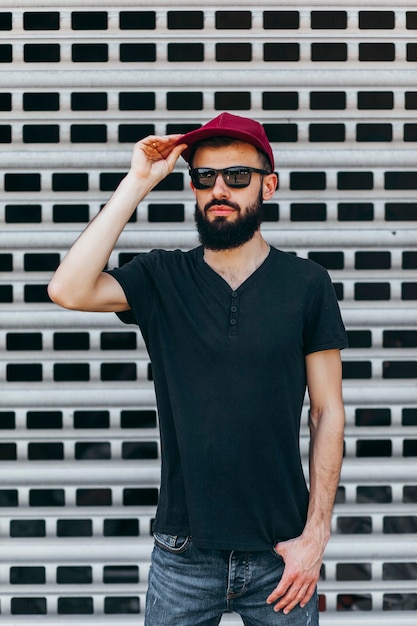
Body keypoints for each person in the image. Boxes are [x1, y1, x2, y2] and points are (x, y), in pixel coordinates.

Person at [48, 112, 348, 625]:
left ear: (268, 186)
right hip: (182, 553)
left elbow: (328, 413)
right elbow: (68, 289)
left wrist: (314, 537)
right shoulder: (161, 277)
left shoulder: (307, 284)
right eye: (205, 178)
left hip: (281, 554)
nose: (220, 190)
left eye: (237, 176)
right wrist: (137, 183)